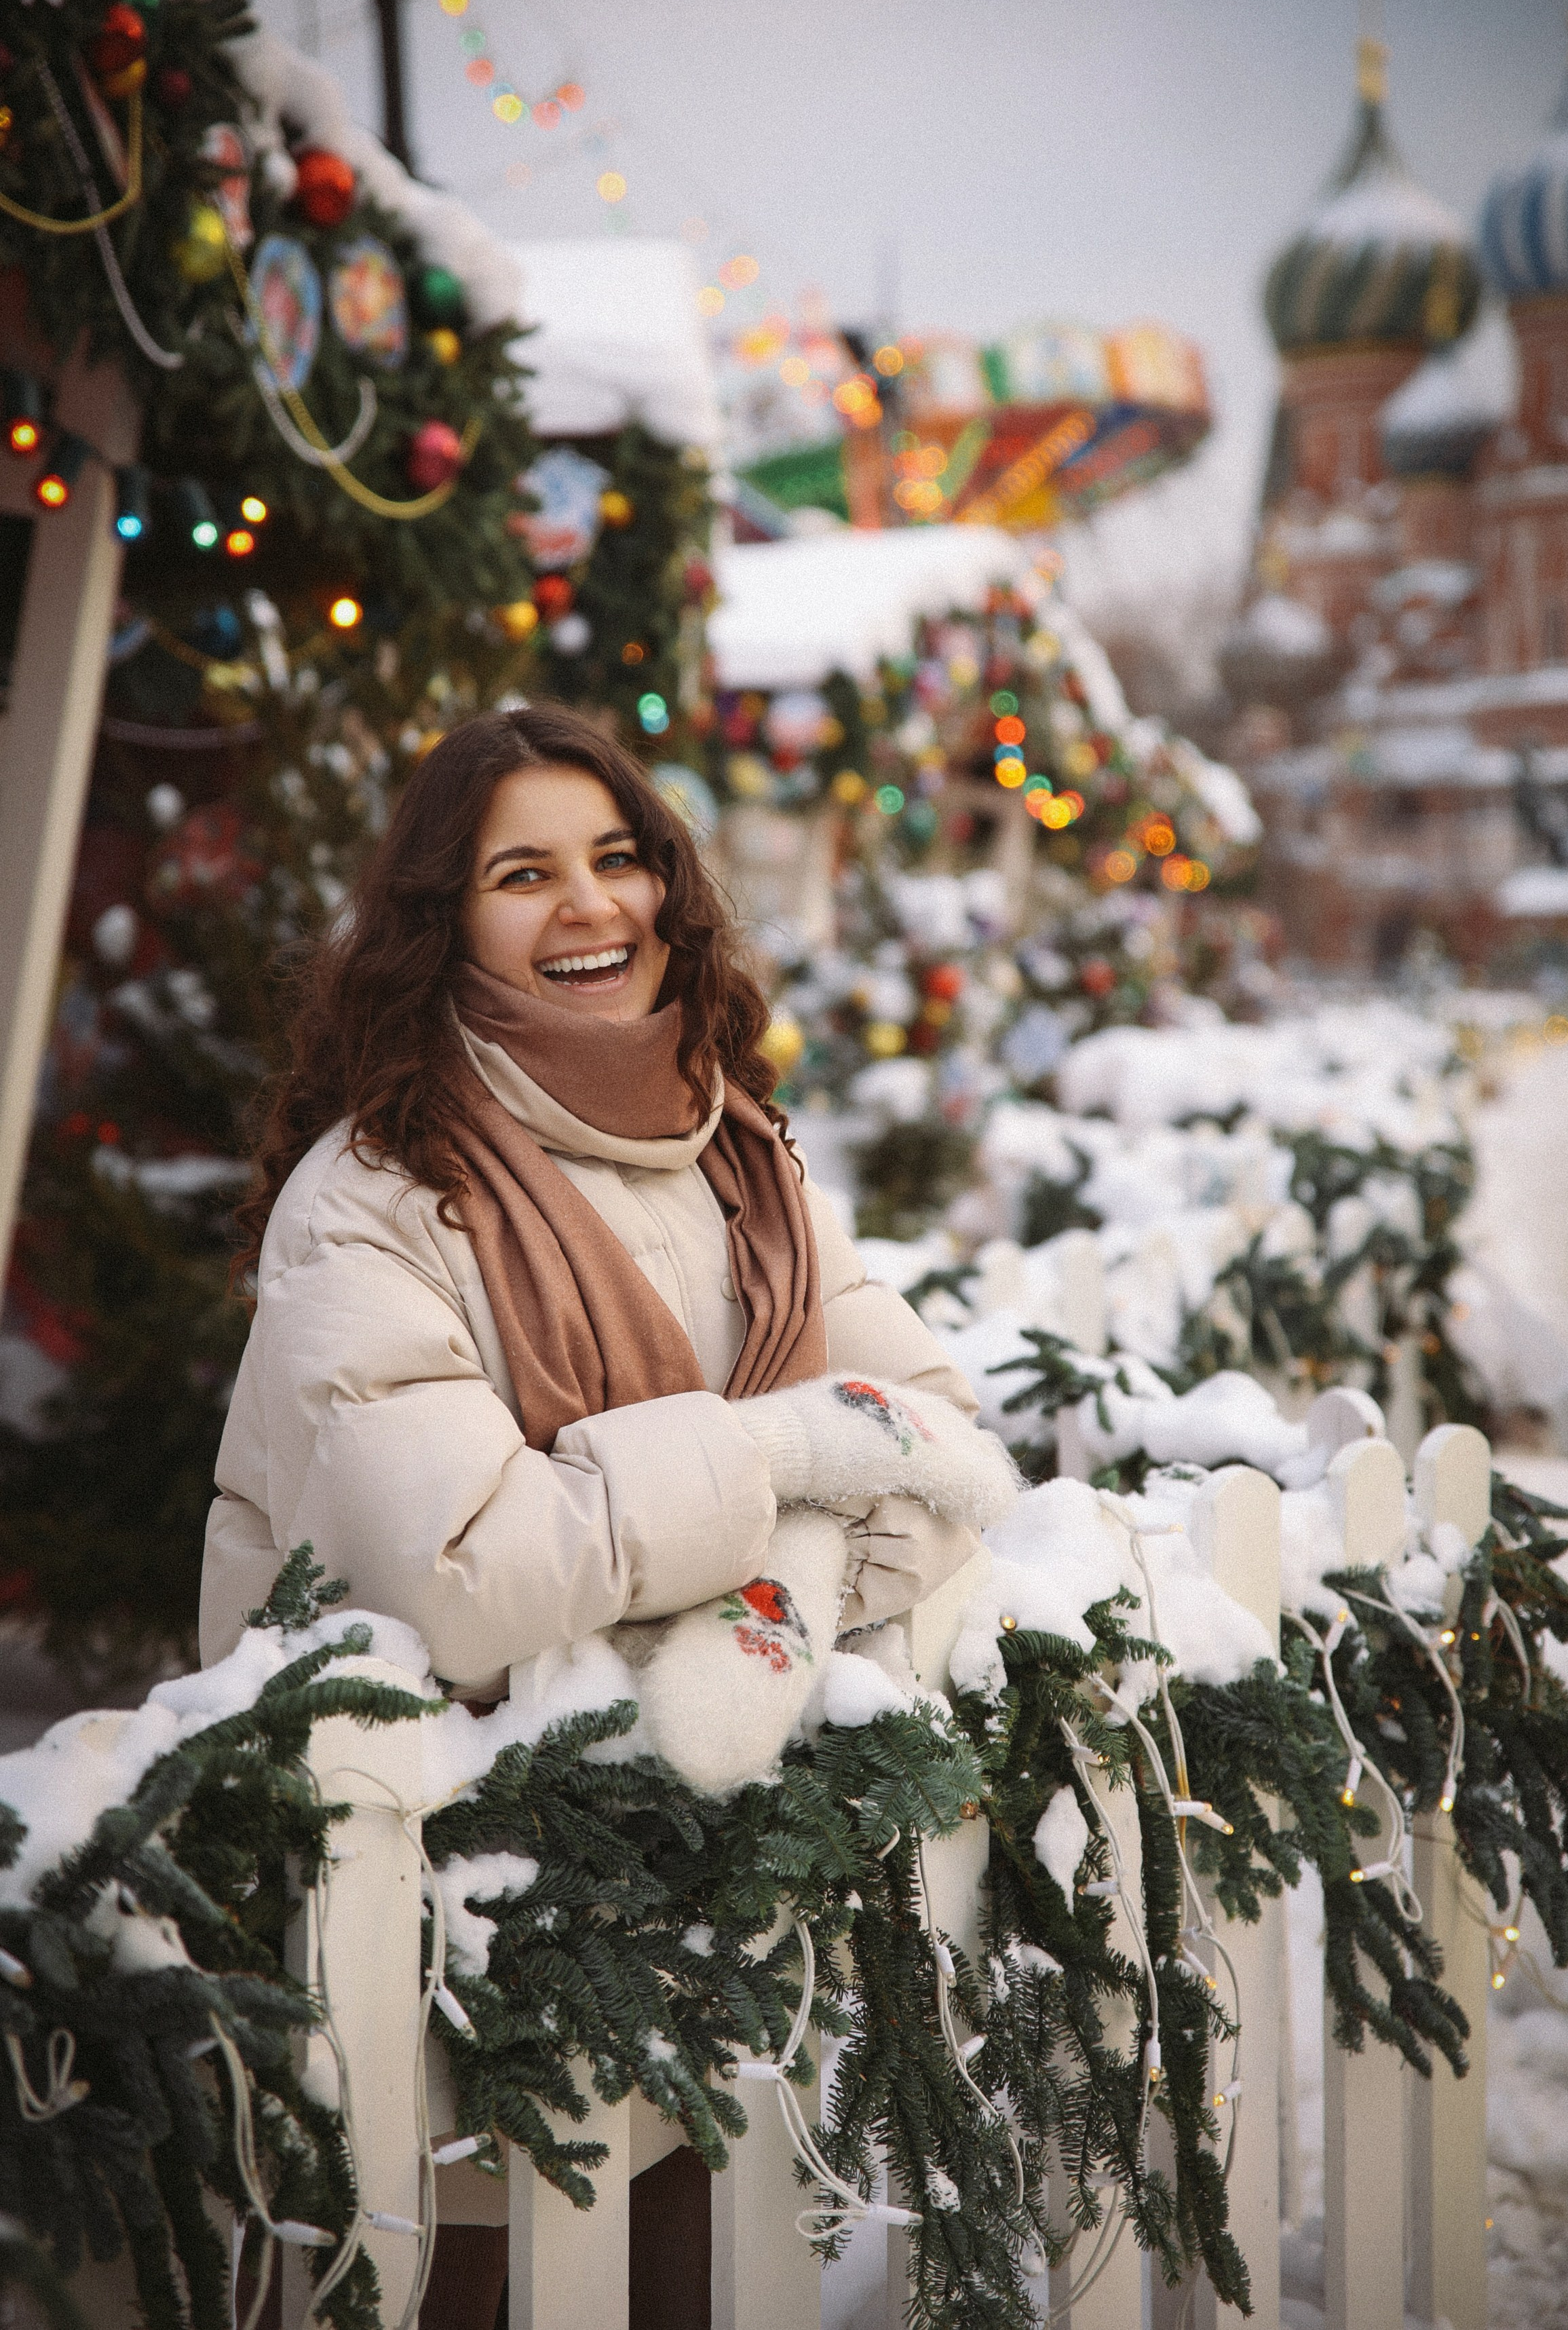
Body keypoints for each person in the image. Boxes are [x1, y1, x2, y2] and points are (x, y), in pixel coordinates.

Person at [204, 703, 1000, 2330]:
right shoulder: (375, 1199)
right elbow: (474, 1584)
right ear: (443, 922)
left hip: (705, 1898)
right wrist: (784, 1455)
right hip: (437, 1916)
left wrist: (771, 1561)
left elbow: (943, 1447)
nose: (590, 905)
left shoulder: (744, 1162)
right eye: (522, 873)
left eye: (617, 857)